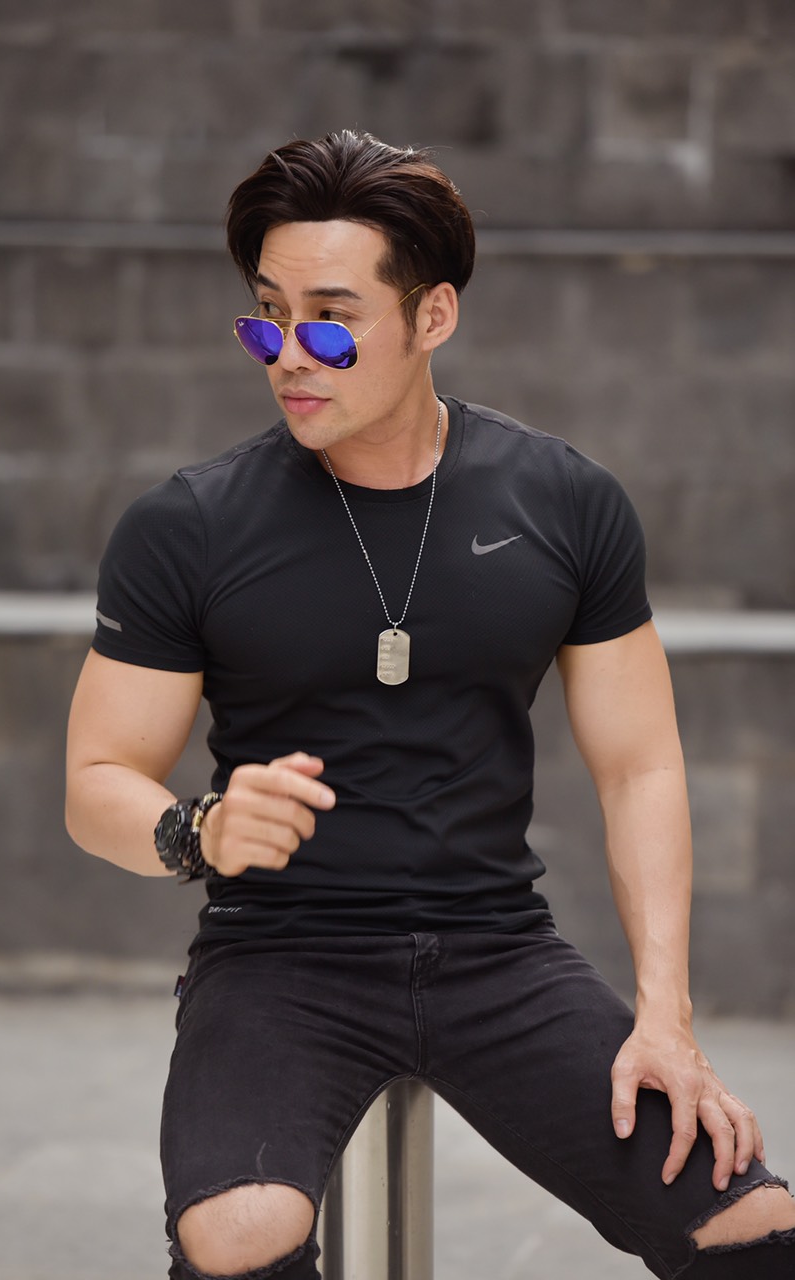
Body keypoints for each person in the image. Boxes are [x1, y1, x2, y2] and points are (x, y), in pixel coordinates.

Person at [65, 130, 795, 1279]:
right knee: (237, 1233)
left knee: (749, 1222)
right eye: (265, 318)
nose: (288, 356)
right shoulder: (188, 526)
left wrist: (665, 1015)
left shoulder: (563, 501)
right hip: (277, 955)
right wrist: (197, 828)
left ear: (432, 316)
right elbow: (96, 777)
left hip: (497, 947)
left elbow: (639, 766)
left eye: (329, 322)